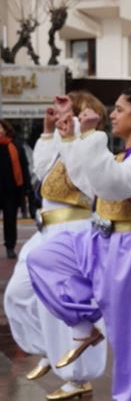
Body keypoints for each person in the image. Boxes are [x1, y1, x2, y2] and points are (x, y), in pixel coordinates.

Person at [27, 88, 131, 401]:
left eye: (120, 110)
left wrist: (90, 133)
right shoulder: (122, 156)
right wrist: (70, 131)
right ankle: (86, 323)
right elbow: (86, 179)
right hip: (104, 241)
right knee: (46, 258)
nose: (114, 115)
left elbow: (112, 183)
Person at [4, 92, 109, 401]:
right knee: (18, 295)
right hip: (47, 230)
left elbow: (85, 178)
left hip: (73, 230)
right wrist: (49, 131)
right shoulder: (63, 145)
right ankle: (48, 350)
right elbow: (40, 168)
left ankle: (79, 379)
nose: (64, 116)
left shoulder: (91, 142)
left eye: (69, 112)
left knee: (69, 307)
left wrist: (73, 134)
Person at [0, 118, 31, 259]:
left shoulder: (15, 146)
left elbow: (24, 168)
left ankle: (10, 247)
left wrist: (26, 188)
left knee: (10, 221)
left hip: (11, 191)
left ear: (5, 129)